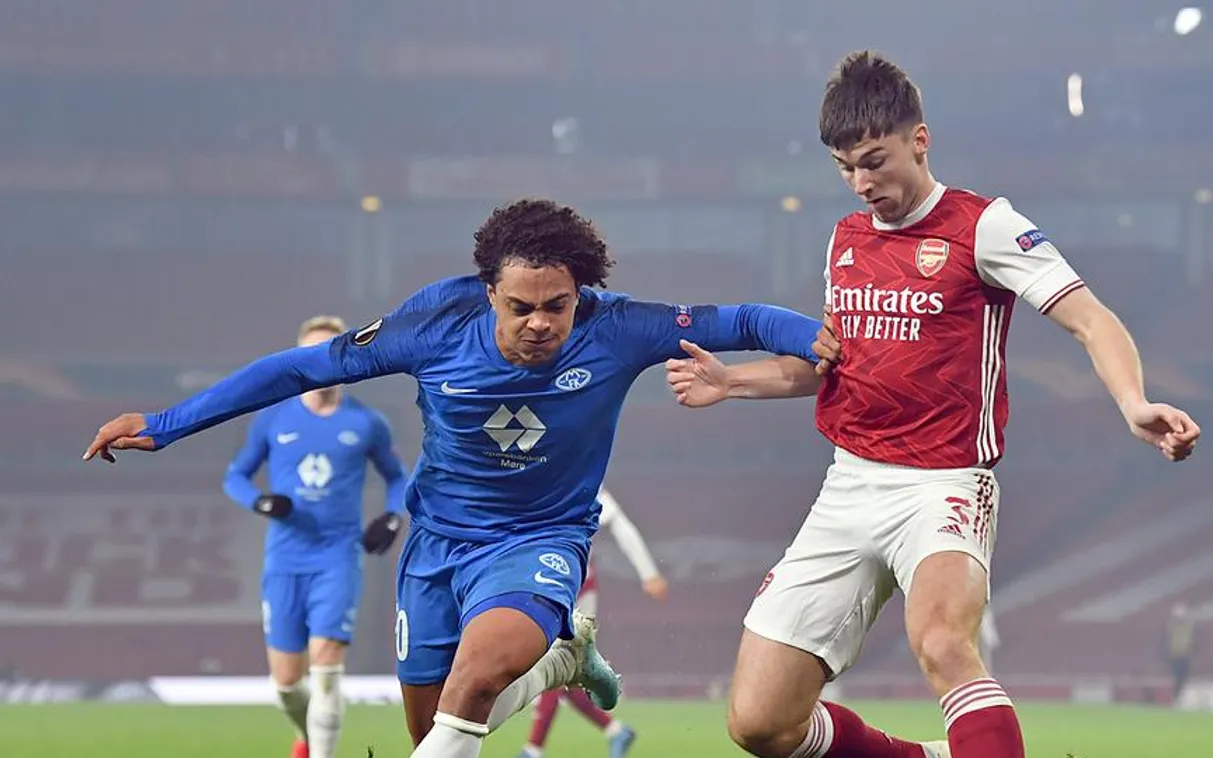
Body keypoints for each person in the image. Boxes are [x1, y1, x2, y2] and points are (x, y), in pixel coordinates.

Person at [83, 198, 823, 758]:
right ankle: (562, 661)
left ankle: (549, 651)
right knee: (437, 727)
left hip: (538, 539)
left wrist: (829, 340)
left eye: (557, 306)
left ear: (580, 292)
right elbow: (298, 369)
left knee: (472, 686)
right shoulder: (432, 326)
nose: (540, 323)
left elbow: (748, 320)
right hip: (436, 545)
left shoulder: (621, 327)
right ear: (488, 292)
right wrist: (167, 423)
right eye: (520, 307)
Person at [664, 51, 1201, 758]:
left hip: (944, 484)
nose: (861, 184)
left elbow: (1090, 319)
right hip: (848, 483)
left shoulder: (985, 226)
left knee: (943, 642)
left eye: (874, 161)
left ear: (919, 140)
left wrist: (1132, 402)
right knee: (760, 722)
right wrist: (732, 382)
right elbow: (833, 367)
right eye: (844, 168)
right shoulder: (846, 240)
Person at [223, 314, 409, 758]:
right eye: (312, 354)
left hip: (337, 556)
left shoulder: (367, 423)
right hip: (285, 560)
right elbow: (235, 476)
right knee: (287, 685)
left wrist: (392, 517)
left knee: (326, 666)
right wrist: (260, 502)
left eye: (330, 352)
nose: (321, 363)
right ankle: (308, 737)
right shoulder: (273, 419)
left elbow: (398, 478)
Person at [520, 485, 668, 758]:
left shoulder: (579, 476)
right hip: (541, 582)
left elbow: (618, 523)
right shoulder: (528, 475)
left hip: (573, 585)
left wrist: (648, 573)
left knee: (558, 661)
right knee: (569, 671)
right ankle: (616, 731)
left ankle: (533, 750)